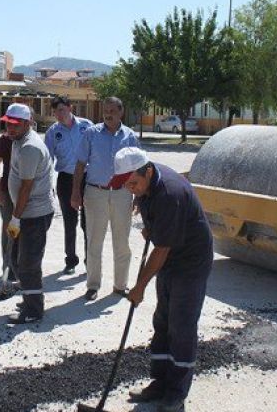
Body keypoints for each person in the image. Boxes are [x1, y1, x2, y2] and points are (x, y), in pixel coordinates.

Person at [111, 147, 213, 412]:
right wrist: (152, 224)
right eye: (125, 185)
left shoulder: (170, 193)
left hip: (190, 261)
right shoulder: (145, 186)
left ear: (148, 170)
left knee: (182, 325)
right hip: (170, 256)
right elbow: (151, 213)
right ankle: (160, 382)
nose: (130, 189)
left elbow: (161, 249)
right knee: (163, 320)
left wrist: (139, 287)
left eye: (133, 183)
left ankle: (176, 392)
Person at [71, 96, 139, 301]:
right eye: (105, 111)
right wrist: (76, 192)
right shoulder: (91, 133)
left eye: (112, 111)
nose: (108, 114)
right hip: (95, 193)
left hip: (122, 194)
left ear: (121, 112)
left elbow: (138, 168)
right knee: (94, 242)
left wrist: (139, 196)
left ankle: (120, 285)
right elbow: (80, 165)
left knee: (122, 242)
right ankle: (92, 285)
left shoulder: (130, 136)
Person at [1, 103, 56, 324]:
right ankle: (29, 298)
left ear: (27, 123)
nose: (10, 128)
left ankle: (33, 311)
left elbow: (26, 187)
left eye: (15, 124)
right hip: (25, 212)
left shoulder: (29, 147)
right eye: (7, 123)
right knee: (16, 259)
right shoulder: (17, 140)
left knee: (28, 263)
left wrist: (15, 217)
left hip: (34, 213)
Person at [44, 96, 93, 275]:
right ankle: (71, 260)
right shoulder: (53, 132)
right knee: (69, 222)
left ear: (70, 108)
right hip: (65, 179)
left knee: (88, 223)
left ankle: (91, 260)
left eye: (62, 110)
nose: (59, 114)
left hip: (88, 179)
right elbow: (47, 159)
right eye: (56, 111)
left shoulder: (86, 126)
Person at [0, 131, 17, 281]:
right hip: (7, 192)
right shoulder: (6, 139)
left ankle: (21, 266)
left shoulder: (31, 140)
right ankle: (8, 268)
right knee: (10, 229)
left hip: (27, 193)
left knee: (24, 230)